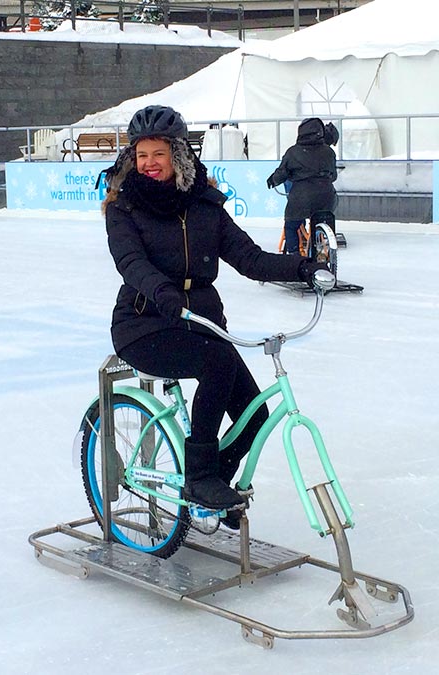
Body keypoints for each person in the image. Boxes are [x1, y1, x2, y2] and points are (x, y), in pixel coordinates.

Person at [101, 105, 330, 522]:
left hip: (202, 322)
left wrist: (302, 266)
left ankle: (213, 485)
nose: (149, 164)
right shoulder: (124, 207)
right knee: (217, 363)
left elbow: (250, 258)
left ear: (178, 155)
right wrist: (162, 291)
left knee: (253, 416)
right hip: (144, 324)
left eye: (158, 154)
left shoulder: (204, 205)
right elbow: (130, 262)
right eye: (141, 155)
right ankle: (200, 476)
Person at [266, 117, 339, 255]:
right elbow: (333, 176)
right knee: (322, 217)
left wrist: (272, 181)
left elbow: (282, 173)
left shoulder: (293, 152)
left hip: (301, 199)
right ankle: (321, 252)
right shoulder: (329, 152)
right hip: (326, 198)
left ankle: (295, 257)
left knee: (291, 225)